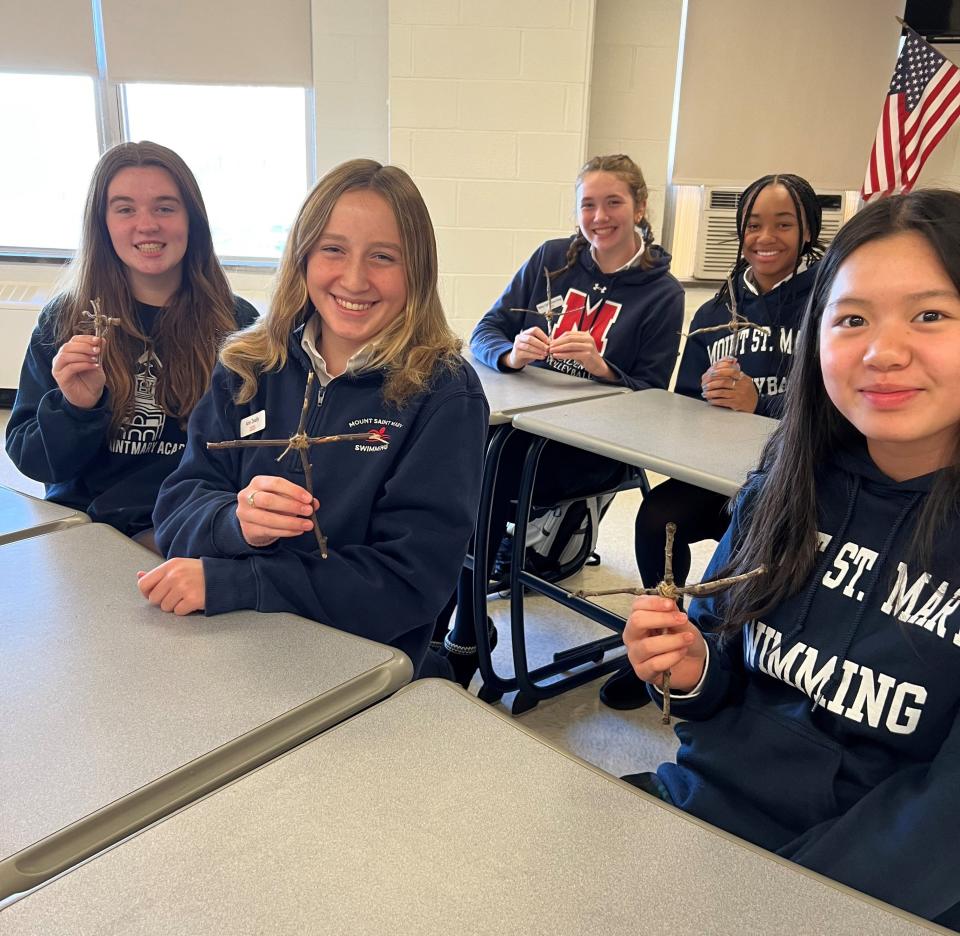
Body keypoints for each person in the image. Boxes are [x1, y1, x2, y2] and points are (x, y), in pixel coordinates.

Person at [621, 189, 960, 930]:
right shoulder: (785, 482)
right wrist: (690, 672)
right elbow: (710, 692)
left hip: (865, 896)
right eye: (852, 319)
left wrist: (777, 907)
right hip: (703, 824)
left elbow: (940, 830)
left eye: (930, 315)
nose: (883, 350)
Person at [139, 158, 489, 679]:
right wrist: (235, 524)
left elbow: (408, 585)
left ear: (417, 269)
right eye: (333, 250)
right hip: (230, 640)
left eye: (383, 257)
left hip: (357, 664)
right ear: (302, 257)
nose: (354, 278)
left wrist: (238, 582)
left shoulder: (443, 395)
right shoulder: (248, 365)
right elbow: (176, 508)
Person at [435, 153, 685, 687]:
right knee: (462, 457)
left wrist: (602, 367)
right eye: (587, 205)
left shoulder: (664, 292)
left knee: (486, 475)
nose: (599, 217)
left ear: (640, 207)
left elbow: (652, 393)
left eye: (613, 202)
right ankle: (449, 615)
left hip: (596, 446)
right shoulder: (550, 260)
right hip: (528, 427)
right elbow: (484, 330)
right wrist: (510, 352)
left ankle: (462, 627)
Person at [602, 173, 824, 709]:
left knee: (752, 557)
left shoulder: (828, 303)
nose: (765, 237)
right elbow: (679, 402)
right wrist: (700, 398)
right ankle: (659, 652)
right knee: (656, 517)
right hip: (719, 476)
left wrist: (761, 404)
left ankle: (729, 662)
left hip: (794, 484)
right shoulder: (713, 311)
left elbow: (836, 406)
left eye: (783, 223)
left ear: (808, 229)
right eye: (753, 225)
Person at [5, 141, 257, 546]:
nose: (147, 225)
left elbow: (254, 452)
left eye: (164, 207)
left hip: (192, 531)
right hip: (93, 535)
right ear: (101, 223)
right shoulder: (64, 321)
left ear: (191, 220)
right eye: (125, 209)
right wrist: (76, 409)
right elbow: (36, 462)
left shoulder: (237, 325)